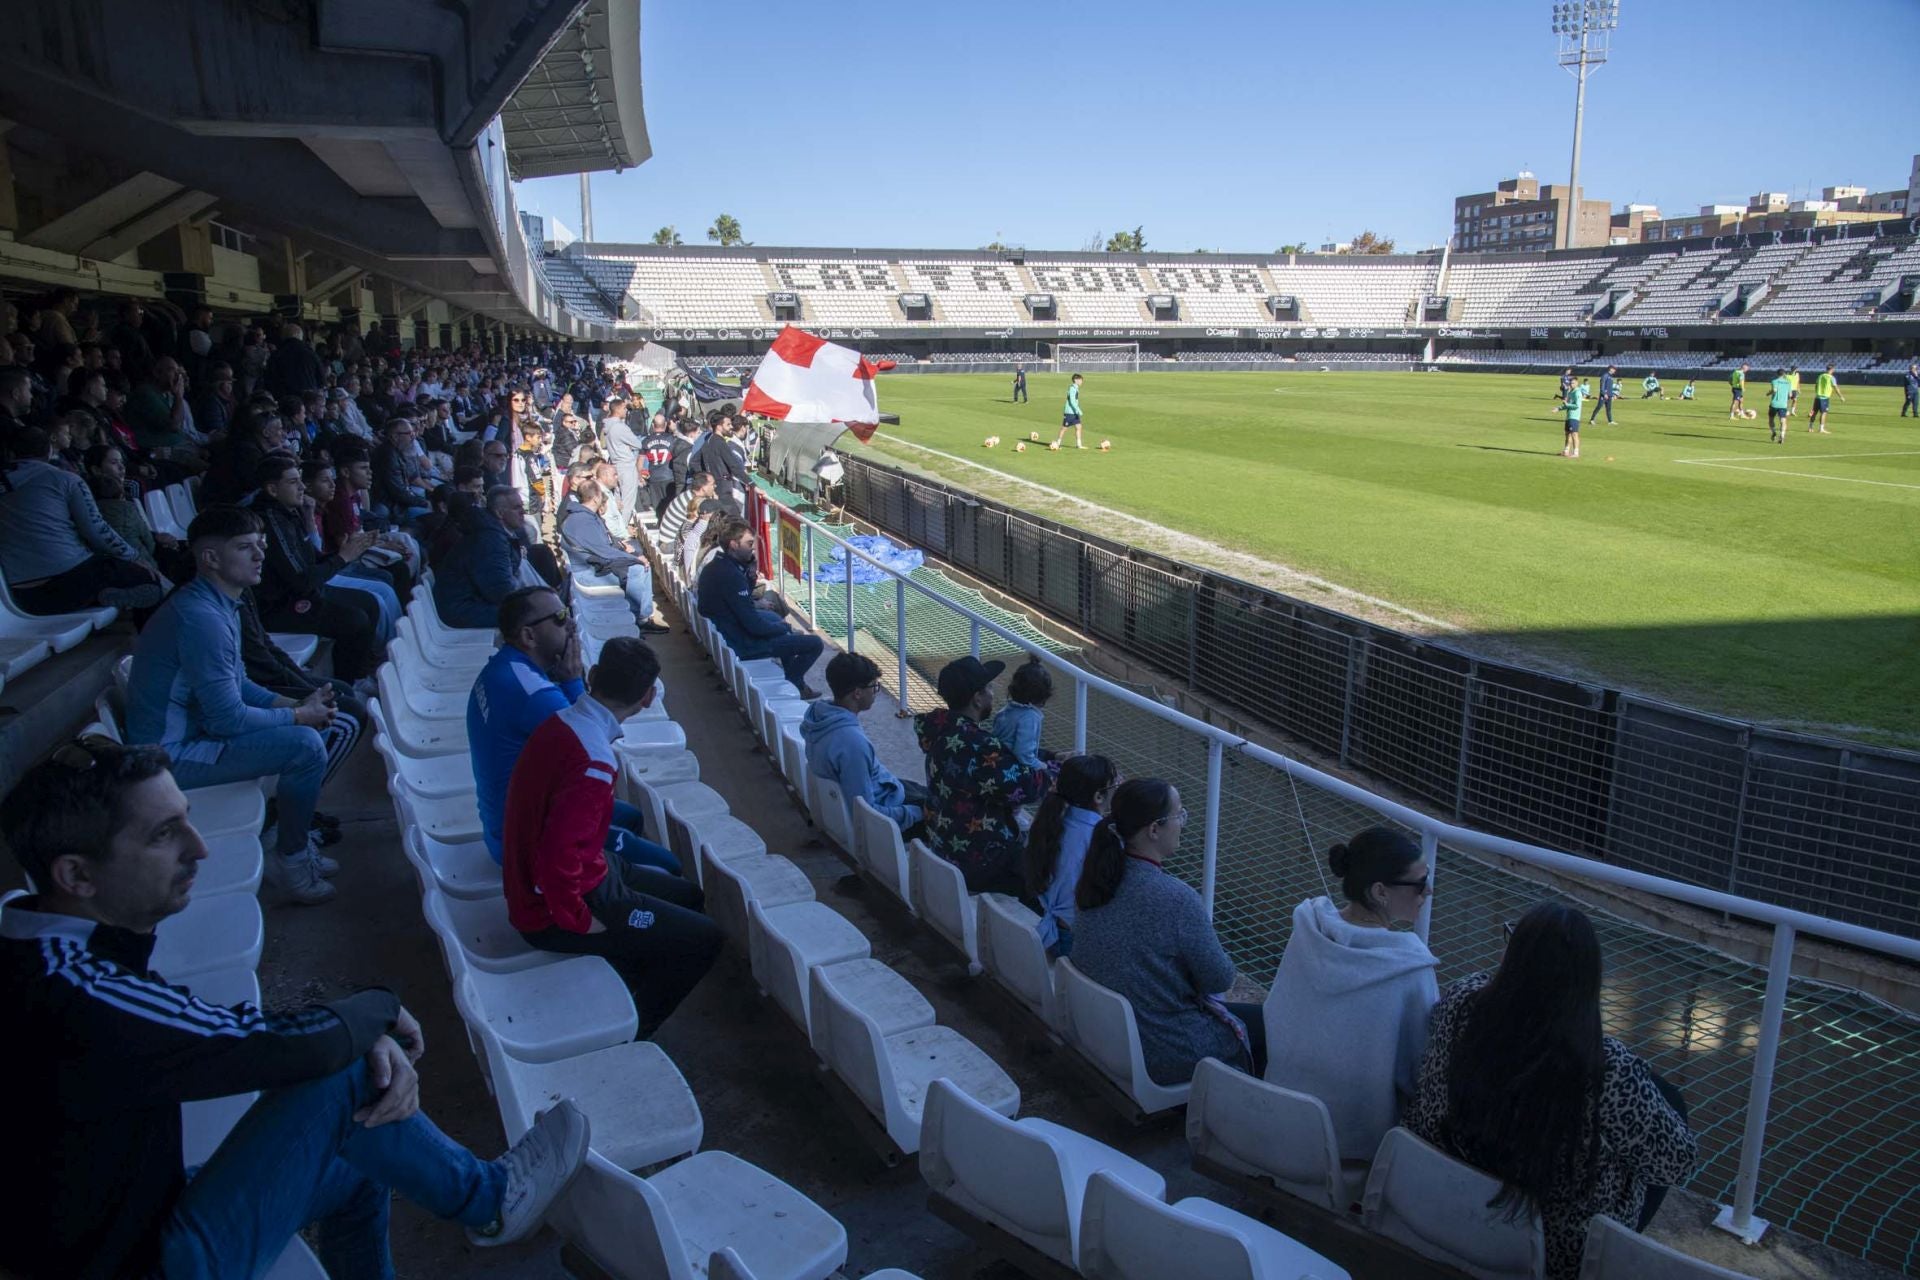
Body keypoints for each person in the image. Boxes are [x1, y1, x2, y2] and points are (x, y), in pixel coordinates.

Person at [0, 735, 592, 1278]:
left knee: (362, 1148)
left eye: (186, 820)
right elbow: (289, 1046)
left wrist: (353, 1033)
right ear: (76, 874)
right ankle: (490, 1201)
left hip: (120, 1218)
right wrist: (378, 1010)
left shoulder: (46, 947)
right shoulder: (69, 989)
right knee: (347, 1078)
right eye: (163, 835)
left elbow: (239, 1033)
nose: (199, 847)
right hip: (134, 1261)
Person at [1405, 903, 1697, 1280]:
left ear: (1513, 957)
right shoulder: (1608, 1068)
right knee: (1669, 1103)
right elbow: (1678, 1163)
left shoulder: (1460, 1003)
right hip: (1553, 1254)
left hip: (1443, 1202)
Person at [124, 505, 354, 904]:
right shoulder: (201, 617)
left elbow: (239, 683)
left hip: (194, 736)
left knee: (316, 729)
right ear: (210, 558)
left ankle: (286, 839)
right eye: (246, 547)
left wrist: (293, 702)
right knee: (304, 745)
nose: (260, 554)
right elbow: (228, 719)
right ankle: (291, 857)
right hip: (168, 756)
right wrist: (299, 715)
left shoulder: (220, 602)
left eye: (262, 545)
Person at [503, 636, 722, 1037]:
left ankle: (628, 970)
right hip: (556, 908)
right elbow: (557, 857)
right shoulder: (593, 761)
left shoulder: (560, 723)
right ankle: (629, 1031)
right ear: (648, 697)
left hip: (589, 872)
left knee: (688, 895)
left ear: (593, 676)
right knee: (705, 939)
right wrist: (581, 921)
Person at [467, 585, 678, 875]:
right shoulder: (534, 695)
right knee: (669, 866)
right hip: (526, 842)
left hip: (506, 820)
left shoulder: (505, 667)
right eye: (559, 617)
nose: (570, 622)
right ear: (529, 636)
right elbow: (591, 741)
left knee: (629, 816)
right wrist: (572, 680)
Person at [1261, 827, 1439, 1168]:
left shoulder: (1309, 930)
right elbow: (1420, 1072)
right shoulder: (1410, 969)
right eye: (1419, 883)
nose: (1428, 891)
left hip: (1279, 1114)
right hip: (1351, 1146)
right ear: (1380, 892)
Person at [1071, 777, 1264, 1084]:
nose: (1182, 823)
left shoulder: (1095, 879)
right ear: (1154, 829)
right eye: (1179, 815)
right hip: (1163, 1048)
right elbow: (1220, 978)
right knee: (1268, 1027)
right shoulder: (1176, 898)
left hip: (1102, 1032)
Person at [914, 656, 1050, 895]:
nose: (993, 692)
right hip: (977, 860)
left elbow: (1001, 762)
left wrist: (1050, 756)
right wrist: (1055, 770)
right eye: (988, 688)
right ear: (977, 699)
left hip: (943, 841)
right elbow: (1027, 788)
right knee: (1046, 875)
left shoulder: (942, 730)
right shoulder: (980, 747)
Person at [0, 425, 163, 615]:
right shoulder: (66, 479)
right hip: (72, 580)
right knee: (150, 582)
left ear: (10, 453)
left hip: (18, 596)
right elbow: (97, 530)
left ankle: (101, 594)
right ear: (49, 450)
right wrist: (135, 557)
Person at [250, 455, 384, 681]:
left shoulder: (289, 513)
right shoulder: (271, 521)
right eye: (293, 482)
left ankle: (362, 671)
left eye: (301, 480)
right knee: (354, 620)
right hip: (278, 606)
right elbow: (302, 581)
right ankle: (347, 681)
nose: (302, 487)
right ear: (272, 489)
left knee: (369, 603)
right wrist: (342, 557)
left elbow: (313, 560)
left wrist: (350, 550)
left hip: (303, 591)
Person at [801, 651, 929, 835]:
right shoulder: (852, 744)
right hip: (886, 816)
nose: (876, 691)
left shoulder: (816, 718)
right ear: (857, 693)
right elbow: (866, 814)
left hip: (885, 790)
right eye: (874, 687)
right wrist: (915, 813)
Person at [697, 519, 824, 695]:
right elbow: (753, 625)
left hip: (728, 631)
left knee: (774, 618)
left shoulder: (716, 567)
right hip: (742, 643)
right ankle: (793, 683)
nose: (753, 548)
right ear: (734, 545)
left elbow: (745, 604)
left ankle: (795, 681)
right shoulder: (731, 575)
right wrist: (782, 628)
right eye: (749, 544)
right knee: (814, 643)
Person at [1023, 754, 1117, 958]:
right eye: (1114, 786)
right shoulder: (1098, 838)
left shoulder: (1048, 826)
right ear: (1099, 796)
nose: (1117, 789)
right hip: (1073, 942)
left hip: (1052, 930)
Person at [557, 477, 669, 633]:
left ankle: (643, 616)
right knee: (638, 568)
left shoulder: (586, 515)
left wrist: (622, 546)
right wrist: (634, 558)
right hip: (590, 569)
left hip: (596, 560)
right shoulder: (582, 520)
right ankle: (637, 619)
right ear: (596, 498)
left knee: (640, 561)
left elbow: (605, 540)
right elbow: (603, 550)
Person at [432, 485, 532, 628]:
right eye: (517, 508)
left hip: (470, 603)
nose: (523, 512)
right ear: (499, 513)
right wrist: (532, 602)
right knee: (534, 616)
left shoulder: (493, 532)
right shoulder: (490, 539)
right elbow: (501, 591)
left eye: (522, 506)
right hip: (463, 609)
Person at [991, 655, 1056, 770]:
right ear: (1043, 696)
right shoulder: (1030, 717)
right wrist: (1045, 767)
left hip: (995, 761)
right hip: (1009, 769)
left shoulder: (1007, 709)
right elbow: (1024, 756)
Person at [658, 469, 716, 549]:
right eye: (712, 484)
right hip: (670, 545)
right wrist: (715, 502)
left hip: (666, 541)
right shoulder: (694, 502)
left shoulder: (688, 494)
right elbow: (699, 529)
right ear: (704, 488)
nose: (714, 487)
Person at [1808, 362, 1845, 434]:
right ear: (1832, 369)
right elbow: (1836, 388)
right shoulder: (1831, 377)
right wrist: (1841, 396)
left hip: (1817, 397)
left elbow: (1816, 385)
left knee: (1814, 412)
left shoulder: (1820, 376)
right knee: (1824, 413)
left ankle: (1810, 427)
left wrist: (1817, 392)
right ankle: (1821, 429)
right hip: (1824, 398)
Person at [1054, 373, 1086, 448]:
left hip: (1074, 412)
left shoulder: (1076, 388)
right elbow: (1072, 401)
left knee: (1079, 427)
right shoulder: (1072, 388)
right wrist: (1078, 410)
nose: (1082, 381)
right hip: (1070, 412)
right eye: (1080, 380)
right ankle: (1058, 443)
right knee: (1064, 428)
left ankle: (1079, 445)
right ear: (1075, 380)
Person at [1559, 376, 1584, 460]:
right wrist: (1558, 408)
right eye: (1570, 383)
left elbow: (1577, 405)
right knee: (1567, 434)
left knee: (1574, 434)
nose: (1571, 384)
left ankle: (1576, 452)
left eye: (1573, 383)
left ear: (1577, 383)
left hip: (1574, 416)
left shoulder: (1577, 392)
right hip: (1569, 416)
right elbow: (1567, 405)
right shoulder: (1570, 392)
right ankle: (1566, 451)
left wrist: (1567, 404)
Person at [1767, 369, 1793, 444]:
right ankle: (1782, 435)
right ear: (1784, 374)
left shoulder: (1774, 381)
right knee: (1783, 421)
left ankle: (1774, 432)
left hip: (1774, 404)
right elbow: (1790, 395)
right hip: (1783, 405)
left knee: (1771, 419)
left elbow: (1774, 390)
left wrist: (1768, 393)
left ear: (1777, 374)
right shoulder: (1788, 382)